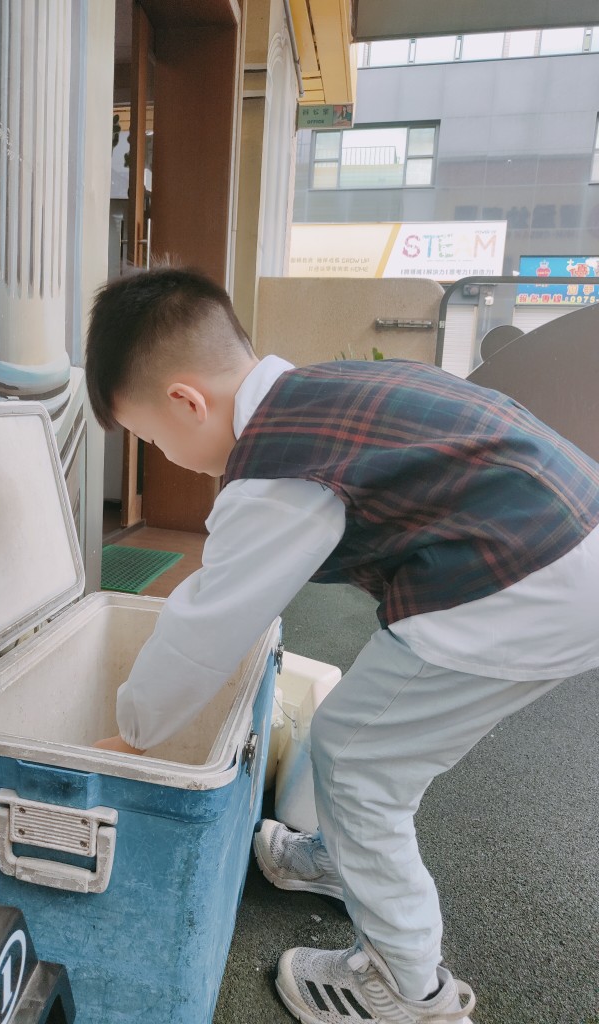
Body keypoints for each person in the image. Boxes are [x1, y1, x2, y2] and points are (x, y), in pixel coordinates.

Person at [85, 266, 599, 1024]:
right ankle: (341, 857)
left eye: (152, 439)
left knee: (360, 764)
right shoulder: (316, 392)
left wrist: (133, 733)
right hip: (560, 544)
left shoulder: (275, 466)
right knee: (368, 732)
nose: (164, 455)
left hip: (524, 583)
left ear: (187, 402)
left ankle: (407, 989)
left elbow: (207, 629)